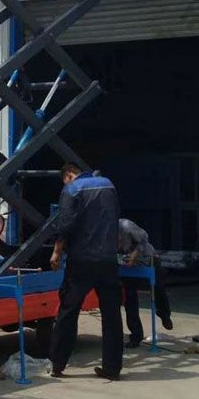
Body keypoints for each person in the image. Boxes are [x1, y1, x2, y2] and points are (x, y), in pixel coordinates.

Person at [49, 162, 123, 381]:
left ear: (69, 175)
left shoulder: (72, 189)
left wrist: (56, 252)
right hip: (108, 259)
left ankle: (57, 364)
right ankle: (112, 368)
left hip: (82, 260)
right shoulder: (108, 184)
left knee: (68, 312)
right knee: (111, 315)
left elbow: (65, 224)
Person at [119, 217, 173, 347]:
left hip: (147, 259)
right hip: (127, 265)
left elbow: (144, 240)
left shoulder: (126, 226)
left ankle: (164, 314)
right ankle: (136, 336)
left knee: (158, 288)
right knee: (130, 299)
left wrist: (135, 253)